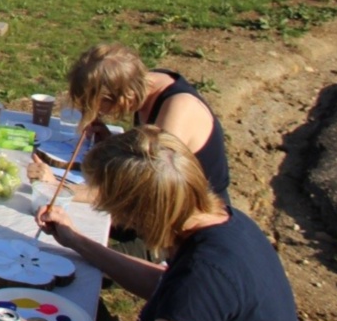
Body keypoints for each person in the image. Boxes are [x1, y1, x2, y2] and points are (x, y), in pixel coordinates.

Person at [0, 127, 301, 321]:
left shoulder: (207, 273)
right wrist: (76, 241)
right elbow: (165, 285)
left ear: (141, 212)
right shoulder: (224, 223)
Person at [31, 42, 231, 203]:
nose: (99, 113)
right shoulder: (147, 83)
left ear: (122, 97)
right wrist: (109, 141)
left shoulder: (178, 110)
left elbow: (142, 187)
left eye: (99, 106)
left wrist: (59, 188)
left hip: (194, 217)